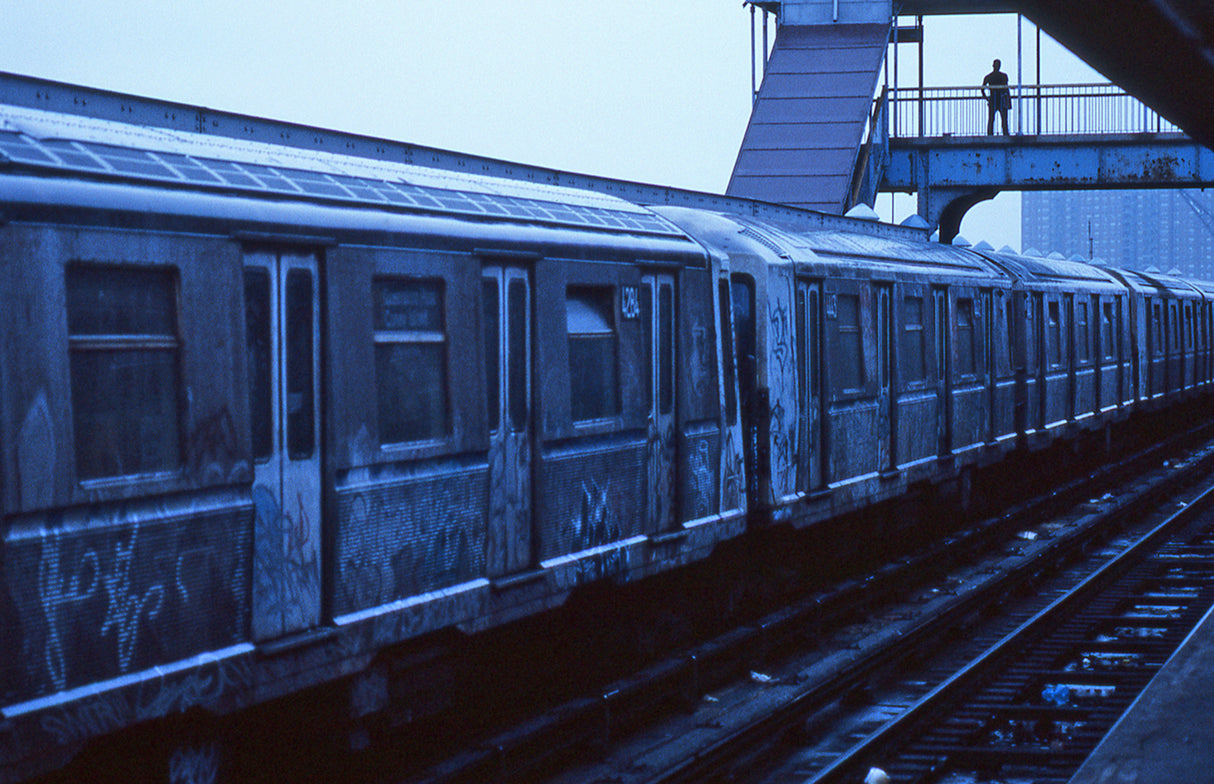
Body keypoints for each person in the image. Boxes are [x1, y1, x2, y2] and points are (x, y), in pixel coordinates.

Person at [982, 59, 1011, 136]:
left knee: (995, 119)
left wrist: (987, 98)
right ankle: (1004, 134)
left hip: (995, 100)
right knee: (999, 119)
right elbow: (1006, 89)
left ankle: (991, 134)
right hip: (998, 100)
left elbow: (982, 89)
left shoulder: (989, 77)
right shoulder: (1002, 76)